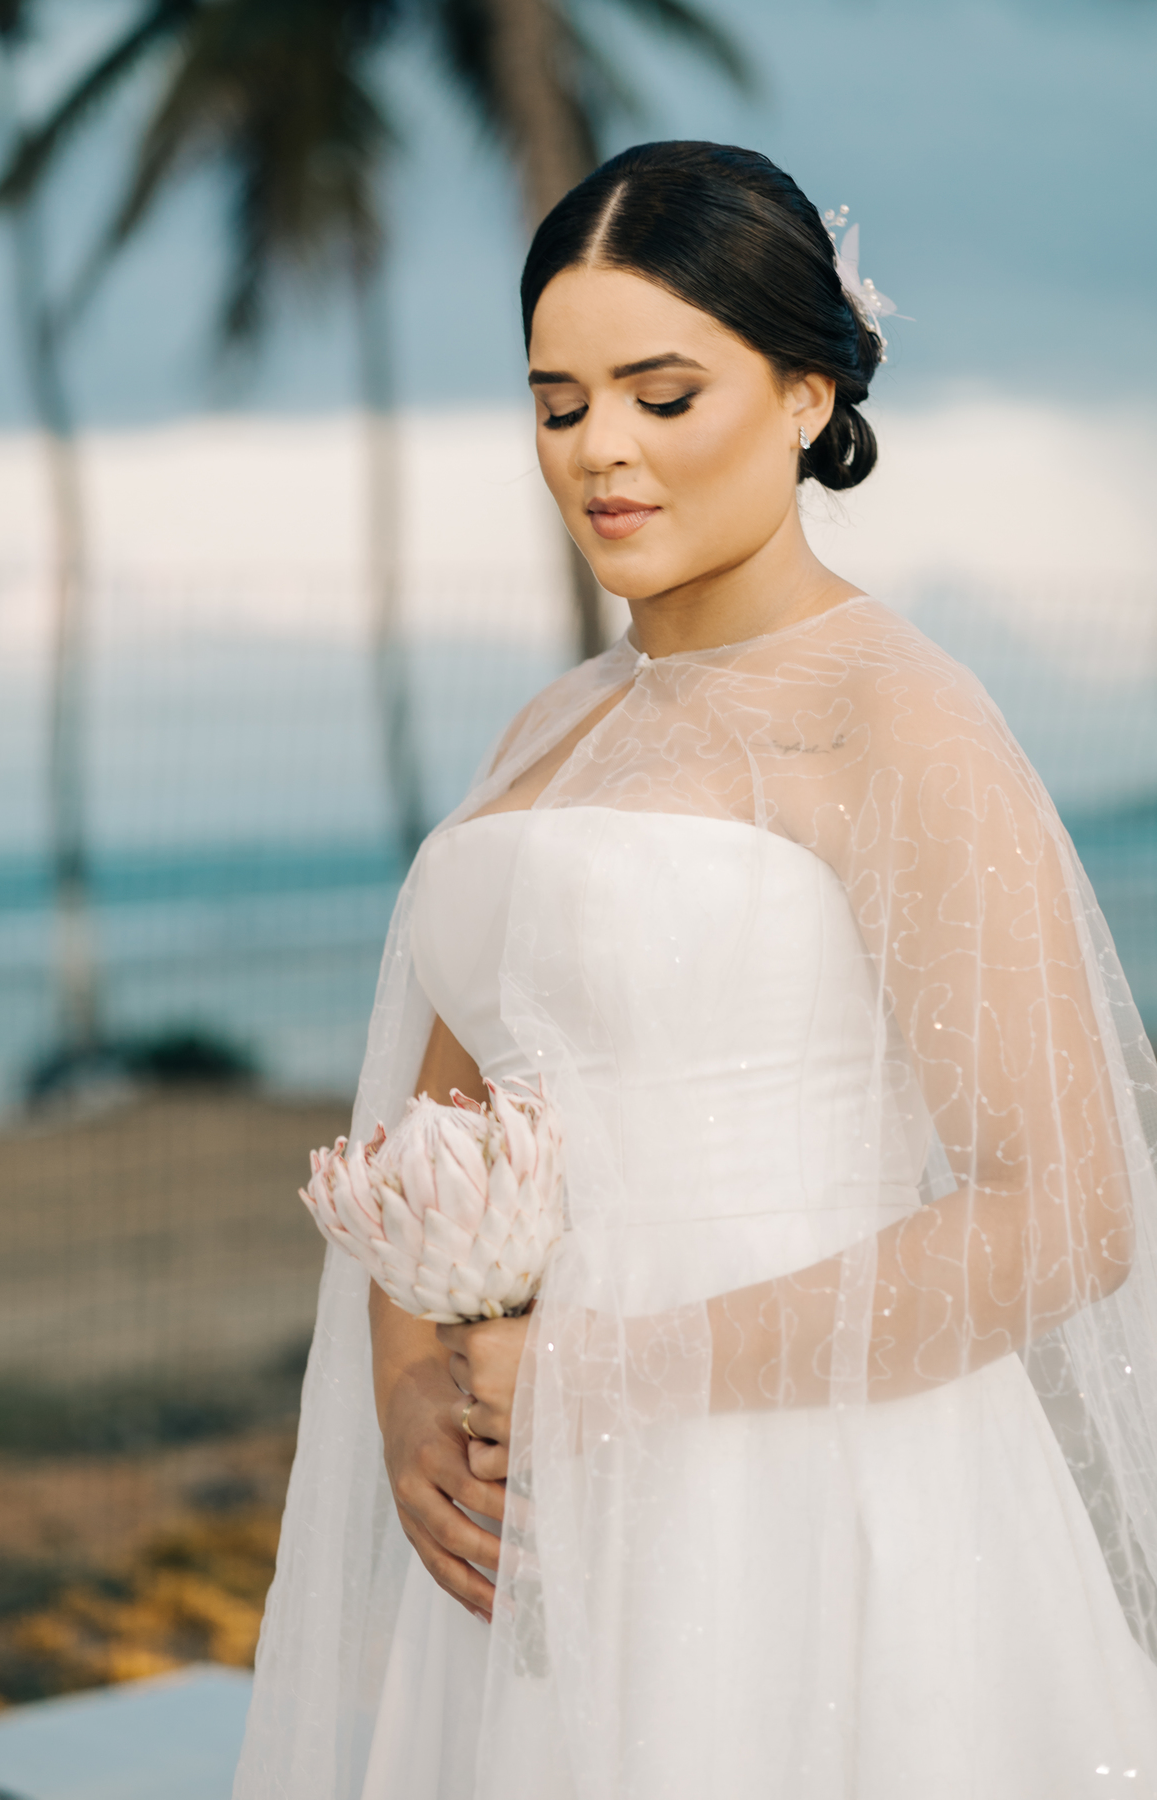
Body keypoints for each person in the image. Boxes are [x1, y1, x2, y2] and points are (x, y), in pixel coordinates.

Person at [235, 143, 1157, 1800]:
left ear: (807, 394)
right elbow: (444, 1138)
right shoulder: (554, 722)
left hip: (811, 1494)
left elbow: (1067, 1210)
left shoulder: (893, 716)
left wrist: (613, 1371)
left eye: (663, 396)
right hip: (526, 1508)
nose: (602, 451)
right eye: (560, 403)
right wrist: (409, 1385)